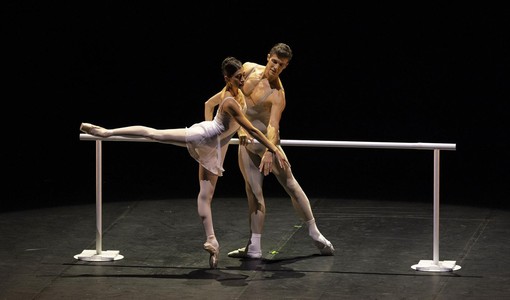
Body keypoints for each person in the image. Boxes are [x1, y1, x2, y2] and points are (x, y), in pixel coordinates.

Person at [80, 57, 289, 269]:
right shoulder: (229, 100)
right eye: (237, 77)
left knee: (206, 195)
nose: (243, 79)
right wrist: (273, 149)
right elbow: (252, 128)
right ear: (227, 79)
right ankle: (106, 131)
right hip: (203, 136)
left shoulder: (239, 93)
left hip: (215, 147)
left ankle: (212, 241)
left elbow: (220, 110)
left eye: (243, 75)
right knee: (155, 134)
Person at [228, 43, 334, 259]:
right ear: (268, 57)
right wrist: (238, 129)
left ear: (286, 67)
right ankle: (254, 247)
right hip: (246, 143)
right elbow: (232, 95)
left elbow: (273, 126)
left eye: (282, 65)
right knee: (253, 192)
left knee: (291, 184)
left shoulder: (278, 93)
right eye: (275, 61)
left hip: (266, 142)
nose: (276, 67)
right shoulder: (247, 69)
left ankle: (315, 233)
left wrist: (270, 150)